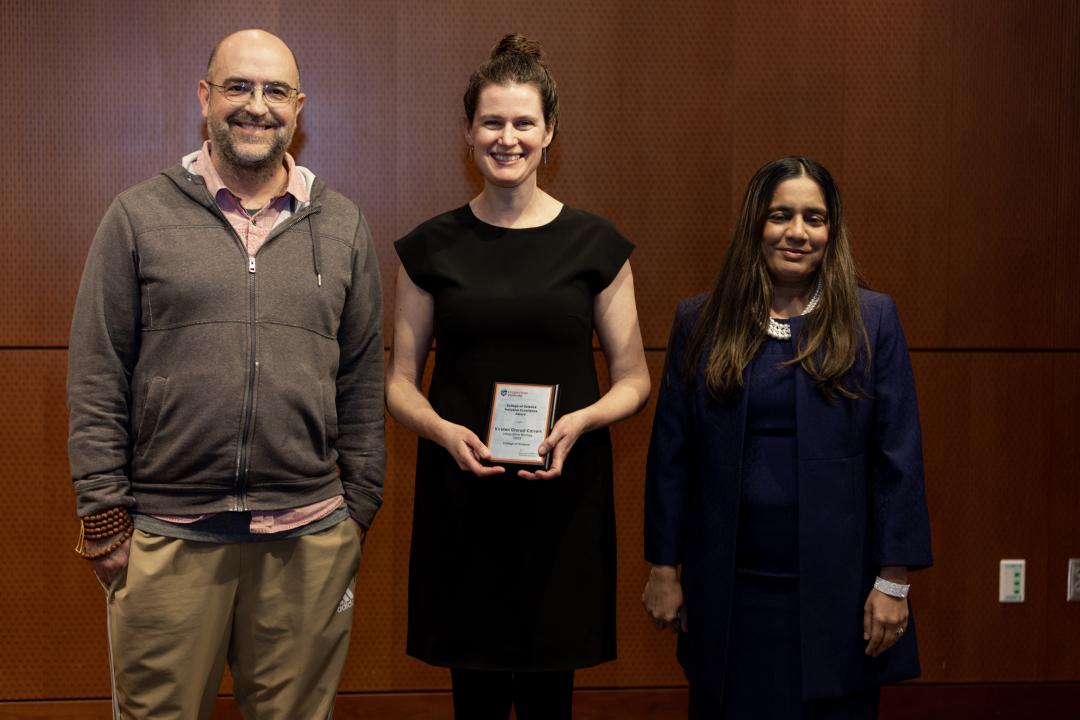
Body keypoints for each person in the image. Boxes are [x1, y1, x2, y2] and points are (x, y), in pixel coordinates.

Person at [66, 29, 384, 719]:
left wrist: (355, 512)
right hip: (169, 538)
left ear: (299, 108)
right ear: (205, 97)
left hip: (308, 540)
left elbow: (361, 382)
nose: (256, 106)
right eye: (238, 86)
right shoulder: (137, 218)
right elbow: (97, 374)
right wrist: (103, 516)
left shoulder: (344, 227)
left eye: (274, 91)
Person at [386, 34, 650, 720]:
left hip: (562, 495)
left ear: (549, 131)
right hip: (461, 493)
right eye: (493, 122)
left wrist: (583, 421)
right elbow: (399, 382)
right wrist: (442, 431)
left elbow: (633, 378)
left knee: (548, 695)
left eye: (523, 123)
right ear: (469, 131)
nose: (508, 138)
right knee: (471, 691)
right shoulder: (428, 248)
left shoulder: (598, 245)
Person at [642, 156, 932, 718]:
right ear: (756, 224)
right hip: (729, 596)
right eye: (781, 215)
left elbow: (899, 457)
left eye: (814, 218)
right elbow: (672, 459)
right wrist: (662, 569)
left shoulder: (872, 321)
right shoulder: (699, 322)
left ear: (832, 231)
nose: (797, 232)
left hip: (840, 596)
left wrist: (894, 580)